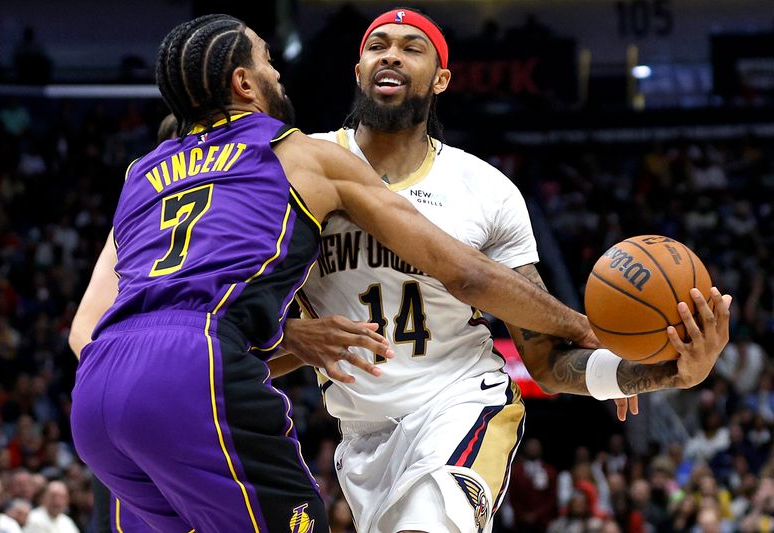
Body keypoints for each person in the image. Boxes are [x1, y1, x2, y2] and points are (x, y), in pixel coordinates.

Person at [69, 14, 609, 533]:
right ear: (244, 83)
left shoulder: (140, 174)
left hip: (96, 391)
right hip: (197, 365)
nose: (279, 72)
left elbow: (84, 330)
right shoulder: (299, 154)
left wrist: (284, 337)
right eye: (267, 61)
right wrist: (581, 325)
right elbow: (467, 275)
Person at [267, 8, 732, 533]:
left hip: (462, 404)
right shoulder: (299, 167)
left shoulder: (485, 189)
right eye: (378, 46)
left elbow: (545, 361)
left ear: (440, 79)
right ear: (358, 70)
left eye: (411, 47)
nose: (391, 54)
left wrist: (666, 373)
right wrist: (290, 332)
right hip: (360, 432)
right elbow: (232, 320)